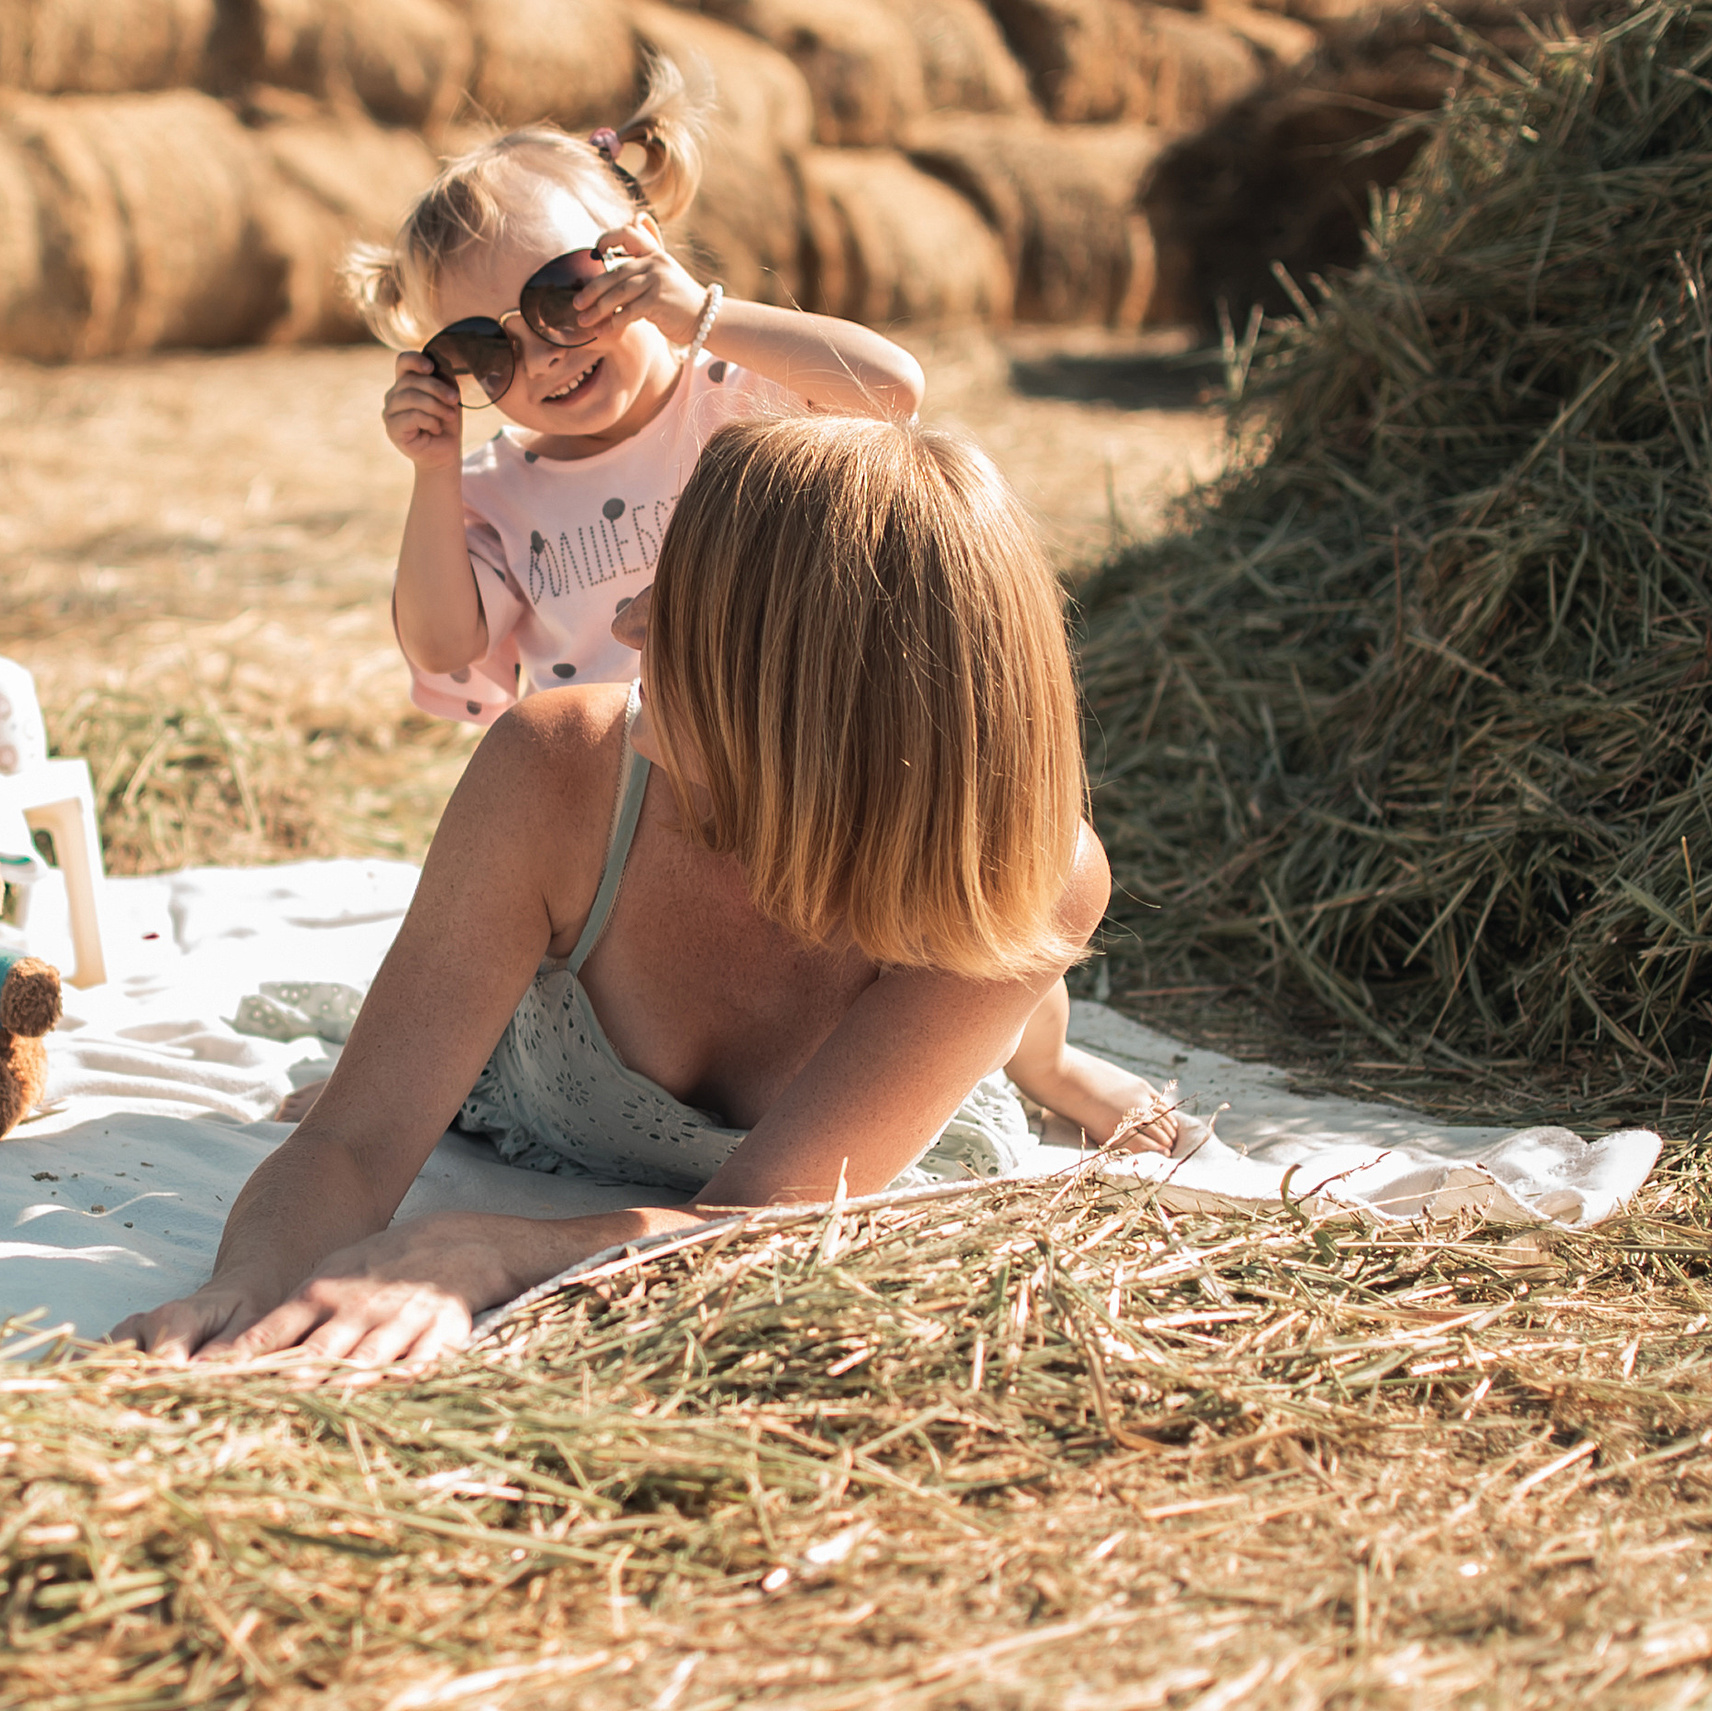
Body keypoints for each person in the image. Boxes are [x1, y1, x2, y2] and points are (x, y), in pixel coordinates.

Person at [115, 415, 1205, 1369]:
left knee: (1022, 1010)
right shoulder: (555, 767)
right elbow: (352, 1142)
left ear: (786, 688)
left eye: (670, 599)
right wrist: (244, 1292)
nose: (626, 623)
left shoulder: (1028, 873)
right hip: (539, 1082)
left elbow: (761, 1223)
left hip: (930, 989)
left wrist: (492, 1248)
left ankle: (1052, 1062)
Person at [351, 59, 924, 727]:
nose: (540, 357)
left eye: (563, 296)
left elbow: (892, 391)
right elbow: (443, 645)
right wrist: (433, 470)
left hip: (788, 757)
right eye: (483, 349)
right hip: (614, 794)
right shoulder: (494, 494)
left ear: (642, 252)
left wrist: (707, 316)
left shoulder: (748, 397)